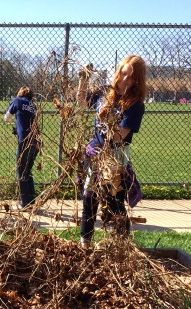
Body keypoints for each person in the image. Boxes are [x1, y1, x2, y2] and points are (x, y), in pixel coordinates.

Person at [78, 55, 147, 249]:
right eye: (122, 73)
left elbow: (119, 137)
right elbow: (81, 103)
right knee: (89, 197)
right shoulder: (104, 92)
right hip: (95, 153)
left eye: (130, 77)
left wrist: (108, 120)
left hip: (115, 158)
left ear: (136, 81)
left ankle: (121, 247)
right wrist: (84, 78)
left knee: (114, 202)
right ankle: (85, 244)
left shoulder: (135, 105)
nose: (123, 79)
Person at [4, 86, 39, 209]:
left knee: (20, 171)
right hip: (36, 141)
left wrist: (15, 121)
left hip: (24, 141)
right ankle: (31, 200)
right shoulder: (33, 106)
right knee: (28, 170)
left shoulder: (17, 101)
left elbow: (6, 118)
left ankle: (25, 202)